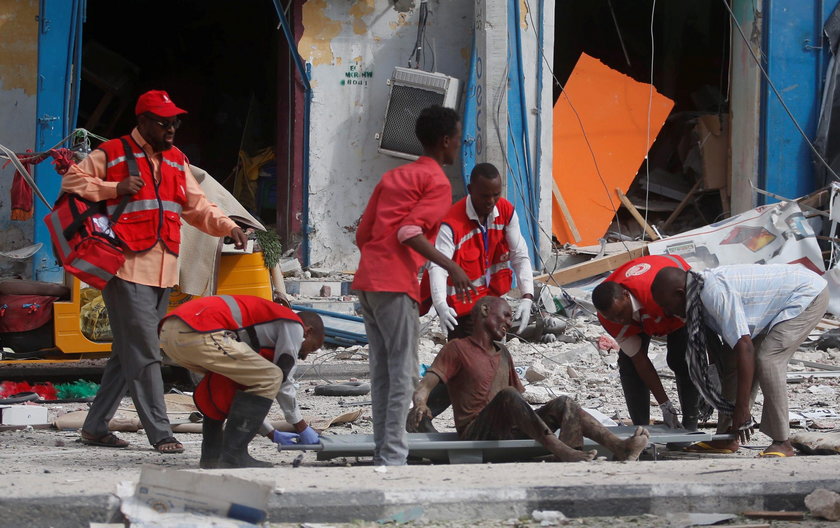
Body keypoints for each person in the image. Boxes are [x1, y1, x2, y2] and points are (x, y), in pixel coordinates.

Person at [62, 90, 249, 453]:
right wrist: (113, 187)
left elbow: (197, 206)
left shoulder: (177, 159)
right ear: (143, 121)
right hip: (125, 266)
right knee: (146, 351)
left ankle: (95, 427)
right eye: (164, 122)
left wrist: (229, 226)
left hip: (163, 270)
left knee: (126, 353)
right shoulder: (112, 153)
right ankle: (160, 432)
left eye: (175, 122)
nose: (172, 128)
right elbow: (72, 183)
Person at [352, 105, 474, 466]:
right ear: (446, 141)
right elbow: (409, 232)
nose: (460, 144)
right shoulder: (436, 182)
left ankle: (383, 451)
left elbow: (363, 234)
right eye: (458, 138)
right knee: (403, 375)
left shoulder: (394, 177)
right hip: (394, 283)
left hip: (368, 282)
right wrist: (453, 267)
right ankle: (392, 457)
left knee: (382, 374)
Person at [409, 296, 650, 462]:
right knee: (509, 395)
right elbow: (425, 385)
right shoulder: (457, 349)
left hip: (509, 428)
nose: (508, 322)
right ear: (484, 311)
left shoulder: (503, 353)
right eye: (504, 315)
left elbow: (519, 405)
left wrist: (547, 418)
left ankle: (618, 447)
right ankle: (563, 451)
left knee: (565, 403)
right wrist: (420, 403)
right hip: (477, 431)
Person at [651, 264, 829, 457]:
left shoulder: (713, 293)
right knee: (732, 360)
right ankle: (728, 437)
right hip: (772, 305)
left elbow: (745, 347)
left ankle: (782, 441)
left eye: (667, 306)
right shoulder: (695, 294)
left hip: (807, 294)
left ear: (680, 293)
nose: (668, 313)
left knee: (768, 359)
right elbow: (730, 351)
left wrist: (742, 409)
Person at [159, 294, 325, 468]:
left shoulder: (261, 333)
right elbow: (283, 379)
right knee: (273, 375)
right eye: (312, 347)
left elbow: (244, 400)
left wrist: (271, 433)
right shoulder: (293, 324)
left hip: (170, 332)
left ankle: (211, 457)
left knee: (223, 385)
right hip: (199, 329)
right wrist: (301, 426)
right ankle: (234, 456)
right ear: (308, 331)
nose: (305, 356)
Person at [426, 162, 534, 340]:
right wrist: (441, 306)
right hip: (463, 309)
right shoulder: (452, 224)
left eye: (496, 194)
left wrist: (527, 297)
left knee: (495, 356)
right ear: (470, 189)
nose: (491, 201)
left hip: (493, 302)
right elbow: (438, 268)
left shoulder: (506, 212)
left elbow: (520, 256)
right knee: (469, 359)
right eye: (485, 195)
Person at [591, 255, 699, 430]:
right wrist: (665, 405)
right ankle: (641, 429)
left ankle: (690, 424)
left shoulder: (662, 295)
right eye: (613, 318)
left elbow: (697, 325)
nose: (620, 321)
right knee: (629, 366)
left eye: (621, 314)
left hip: (675, 309)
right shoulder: (610, 317)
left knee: (681, 359)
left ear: (626, 296)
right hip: (646, 312)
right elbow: (640, 361)